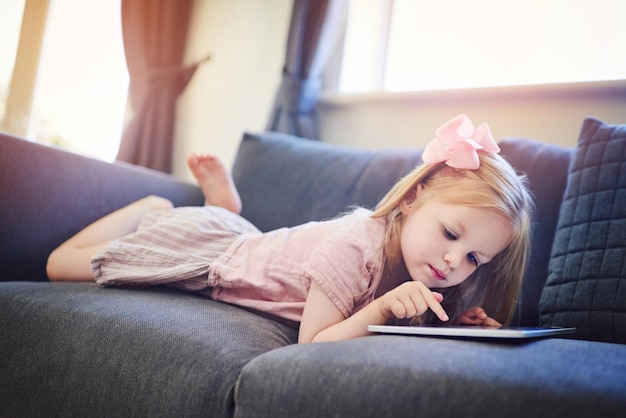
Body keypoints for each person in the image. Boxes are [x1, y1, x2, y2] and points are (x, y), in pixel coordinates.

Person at [47, 114, 534, 343]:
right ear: (409, 200)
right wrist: (384, 307)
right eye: (451, 235)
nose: (455, 262)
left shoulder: (431, 276)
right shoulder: (355, 244)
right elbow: (314, 344)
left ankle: (225, 207)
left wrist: (462, 326)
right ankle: (162, 205)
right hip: (211, 253)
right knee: (57, 266)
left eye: (474, 258)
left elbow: (410, 321)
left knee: (243, 235)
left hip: (250, 242)